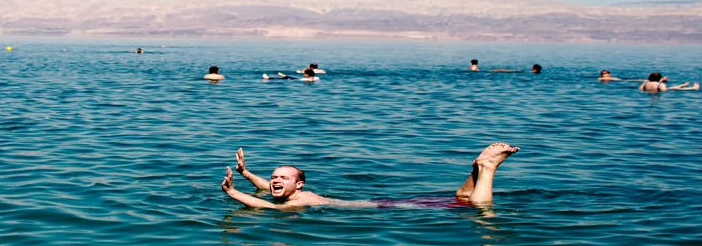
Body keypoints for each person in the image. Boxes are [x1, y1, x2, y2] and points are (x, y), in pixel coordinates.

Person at [222, 143, 520, 209]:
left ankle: (489, 169)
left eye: (283, 177)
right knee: (460, 200)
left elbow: (264, 204)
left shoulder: (295, 202)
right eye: (275, 176)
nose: (275, 180)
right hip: (385, 200)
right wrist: (247, 173)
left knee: (478, 208)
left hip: (388, 208)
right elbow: (270, 189)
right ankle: (477, 167)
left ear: (298, 184)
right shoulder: (292, 193)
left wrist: (233, 192)